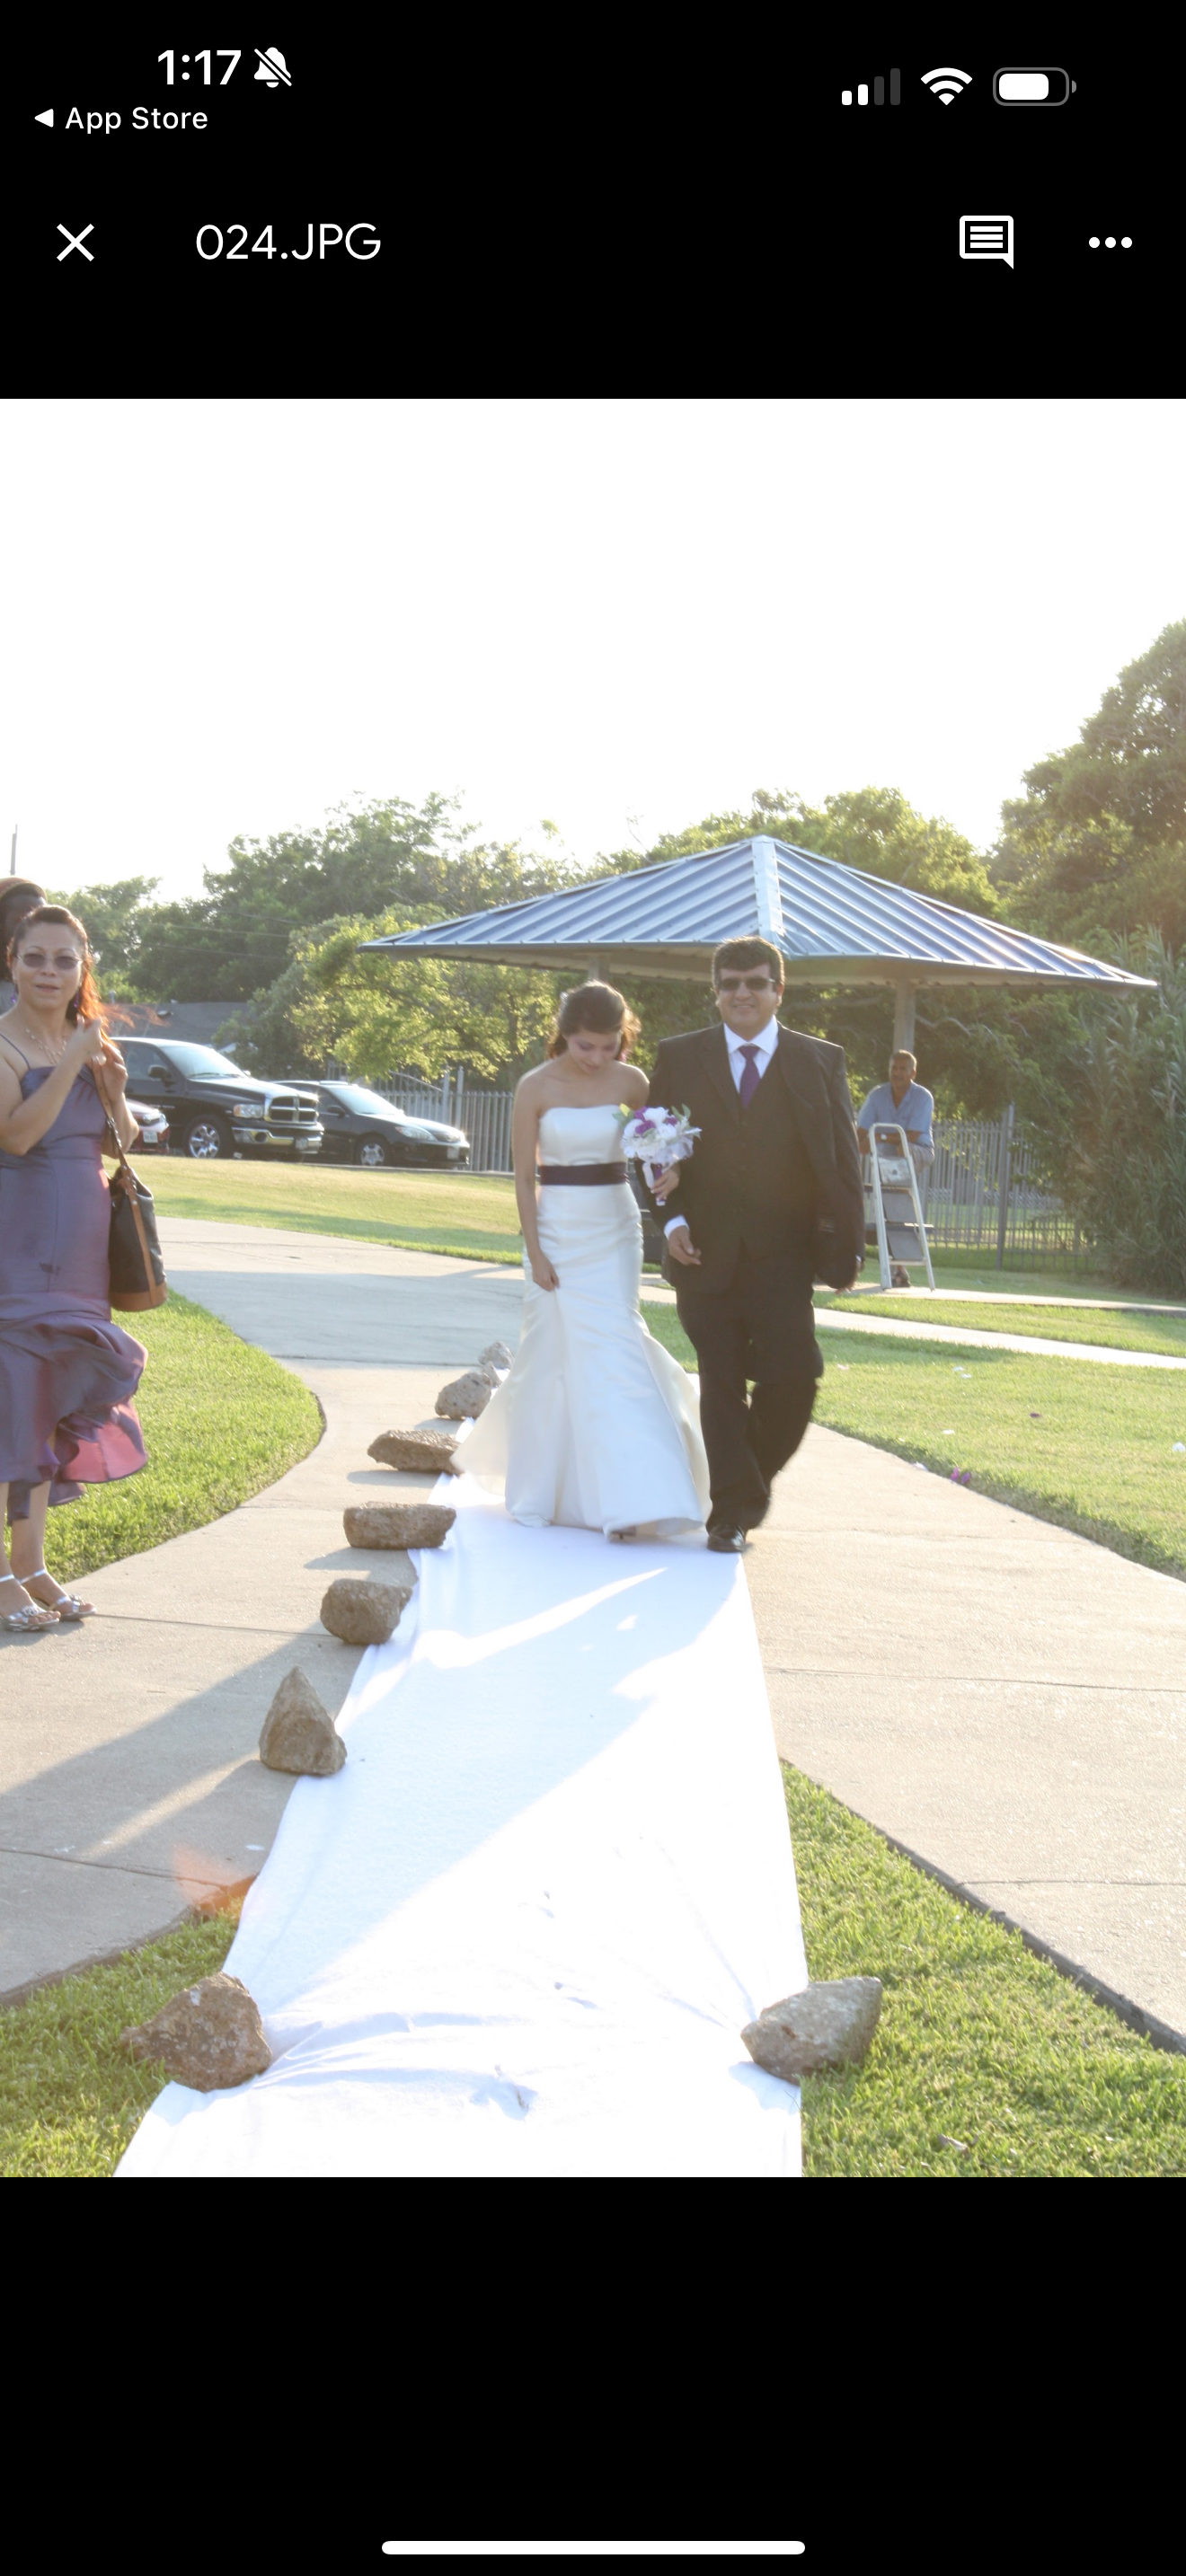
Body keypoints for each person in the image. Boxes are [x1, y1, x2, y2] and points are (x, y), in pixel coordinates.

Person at [462, 982, 710, 1539]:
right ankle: (548, 1491)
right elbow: (524, 1177)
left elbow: (657, 1152)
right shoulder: (534, 1087)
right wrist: (536, 1251)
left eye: (608, 1045)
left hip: (614, 1228)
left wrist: (672, 1169)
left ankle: (637, 1495)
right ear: (564, 1035)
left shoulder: (633, 1081)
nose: (598, 1058)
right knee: (551, 1352)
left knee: (616, 1343)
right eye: (585, 1046)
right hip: (553, 1229)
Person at [643, 939, 864, 1554]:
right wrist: (672, 1220)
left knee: (795, 1380)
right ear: (715, 991)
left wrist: (847, 1245)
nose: (743, 992)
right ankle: (729, 1515)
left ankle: (748, 1487)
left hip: (784, 1258)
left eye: (756, 982)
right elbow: (654, 1146)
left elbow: (842, 1161)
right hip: (703, 1253)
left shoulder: (818, 1061)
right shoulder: (680, 1056)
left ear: (778, 991)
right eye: (731, 982)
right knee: (721, 1380)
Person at [0, 904, 147, 1630]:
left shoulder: (88, 1044)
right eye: (36, 958)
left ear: (83, 966)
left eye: (65, 960)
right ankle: (1, 1575)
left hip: (83, 1254)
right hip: (16, 1247)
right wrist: (69, 1061)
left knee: (50, 1404)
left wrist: (113, 1088)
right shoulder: (2, 1045)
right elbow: (20, 1136)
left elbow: (123, 1138)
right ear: (12, 961)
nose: (50, 973)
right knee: (8, 1406)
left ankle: (32, 1565)